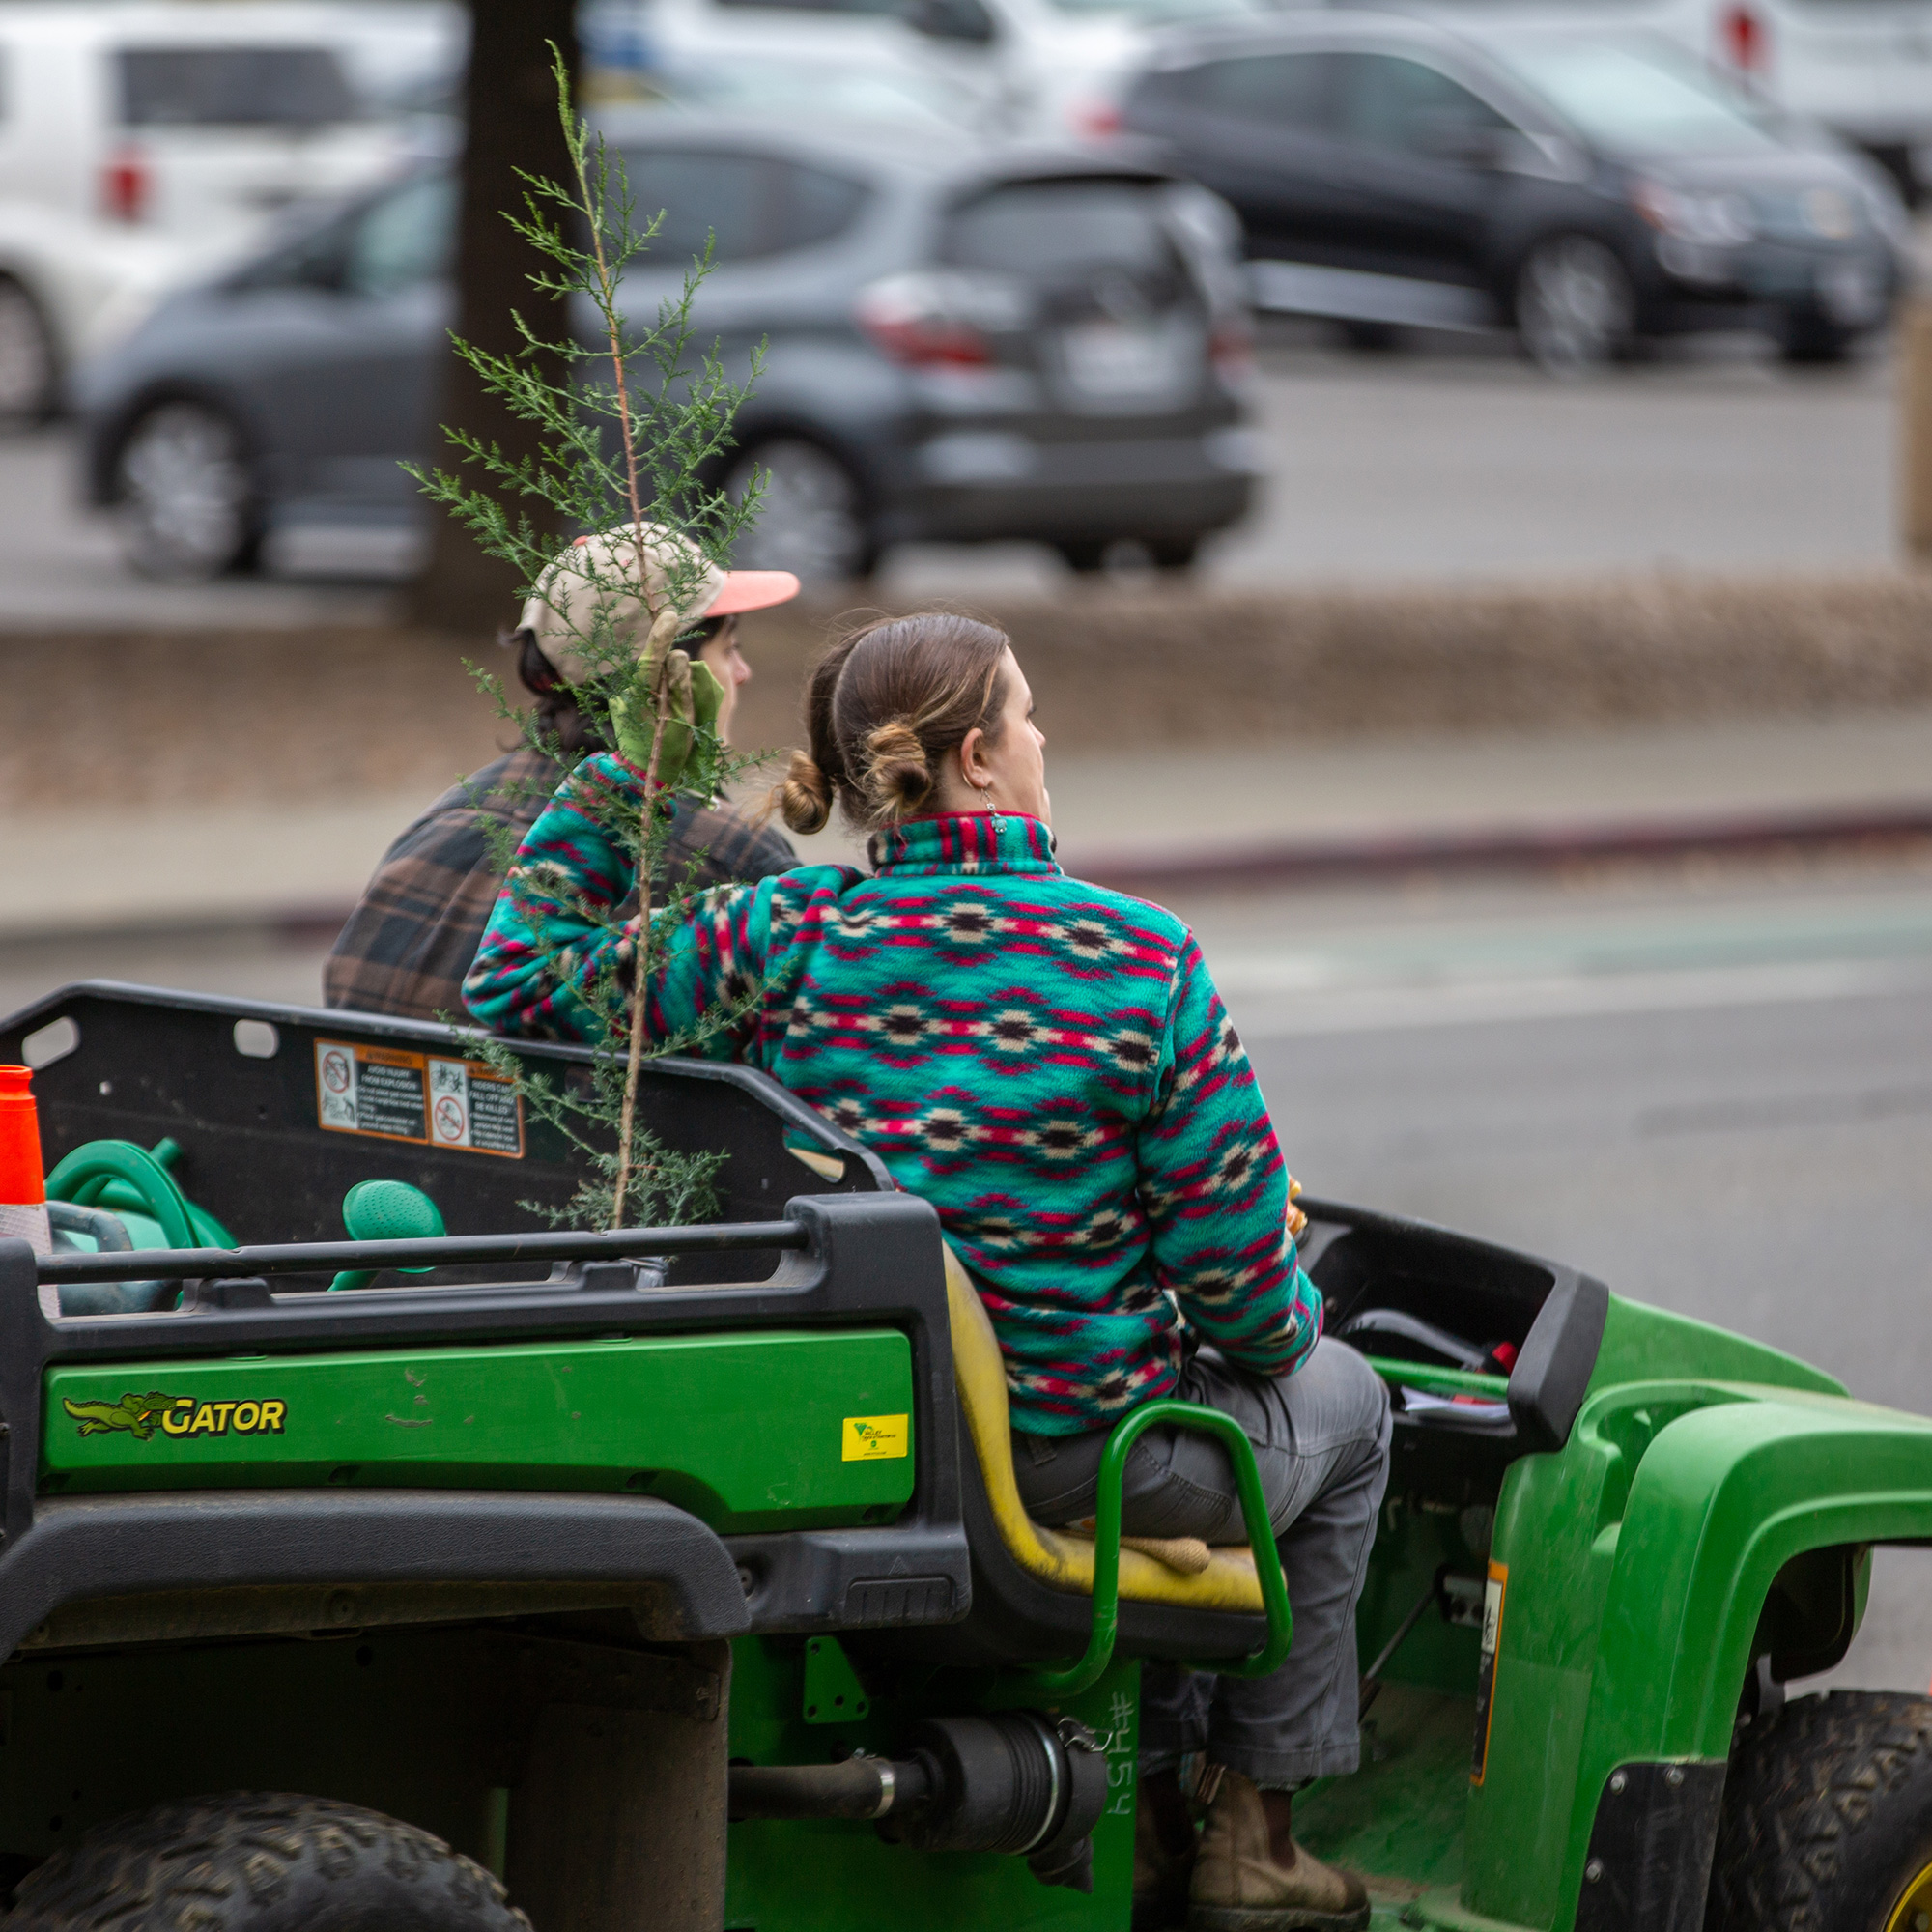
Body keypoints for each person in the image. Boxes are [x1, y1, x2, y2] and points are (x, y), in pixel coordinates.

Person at [464, 612, 1392, 1932]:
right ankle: (1261, 1836)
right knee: (1343, 1407)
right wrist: (1285, 1303)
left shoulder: (785, 934)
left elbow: (513, 990)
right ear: (974, 756)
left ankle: (1162, 1811)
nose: (1043, 735)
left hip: (866, 1444)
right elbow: (1246, 1305)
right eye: (1026, 713)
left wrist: (630, 776)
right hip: (1074, 1455)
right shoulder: (1139, 961)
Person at [322, 523, 802, 1022]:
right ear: (672, 676)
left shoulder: (444, 818)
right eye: (730, 648)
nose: (743, 672)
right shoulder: (727, 858)